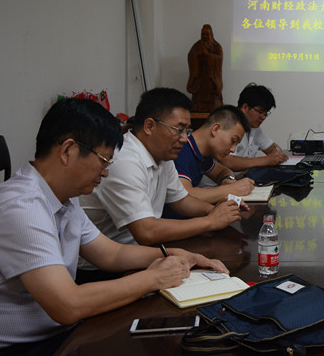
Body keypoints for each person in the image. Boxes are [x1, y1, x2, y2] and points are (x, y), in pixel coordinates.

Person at [0, 98, 226, 356]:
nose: (105, 173)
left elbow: (111, 254)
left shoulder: (64, 198)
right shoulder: (21, 206)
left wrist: (175, 254)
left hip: (60, 335)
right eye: (103, 161)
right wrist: (153, 278)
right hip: (20, 352)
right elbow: (67, 304)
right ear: (68, 150)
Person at [79, 88, 244, 279]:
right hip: (99, 269)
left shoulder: (162, 156)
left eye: (187, 130)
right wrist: (210, 221)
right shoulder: (124, 161)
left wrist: (217, 211)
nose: (184, 138)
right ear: (150, 126)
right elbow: (146, 231)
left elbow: (182, 201)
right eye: (179, 130)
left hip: (139, 254)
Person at [173, 105, 255, 204]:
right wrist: (232, 189)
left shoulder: (203, 153)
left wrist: (228, 179)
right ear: (215, 129)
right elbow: (185, 196)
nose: (233, 150)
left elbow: (223, 171)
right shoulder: (180, 149)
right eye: (233, 141)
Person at [220, 83, 288, 173]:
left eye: (266, 113)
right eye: (260, 111)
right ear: (245, 107)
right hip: (222, 180)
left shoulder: (254, 129)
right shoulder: (228, 124)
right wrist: (266, 160)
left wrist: (277, 154)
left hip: (243, 177)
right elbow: (228, 161)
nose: (263, 117)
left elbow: (273, 148)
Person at [187, 24, 223, 113]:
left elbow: (219, 59)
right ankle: (198, 105)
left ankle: (211, 104)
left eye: (207, 34)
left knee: (212, 97)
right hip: (200, 76)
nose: (205, 37)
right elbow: (191, 56)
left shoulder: (217, 47)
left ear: (212, 35)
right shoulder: (197, 46)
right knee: (198, 96)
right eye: (203, 34)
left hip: (211, 77)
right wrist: (197, 55)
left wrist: (208, 55)